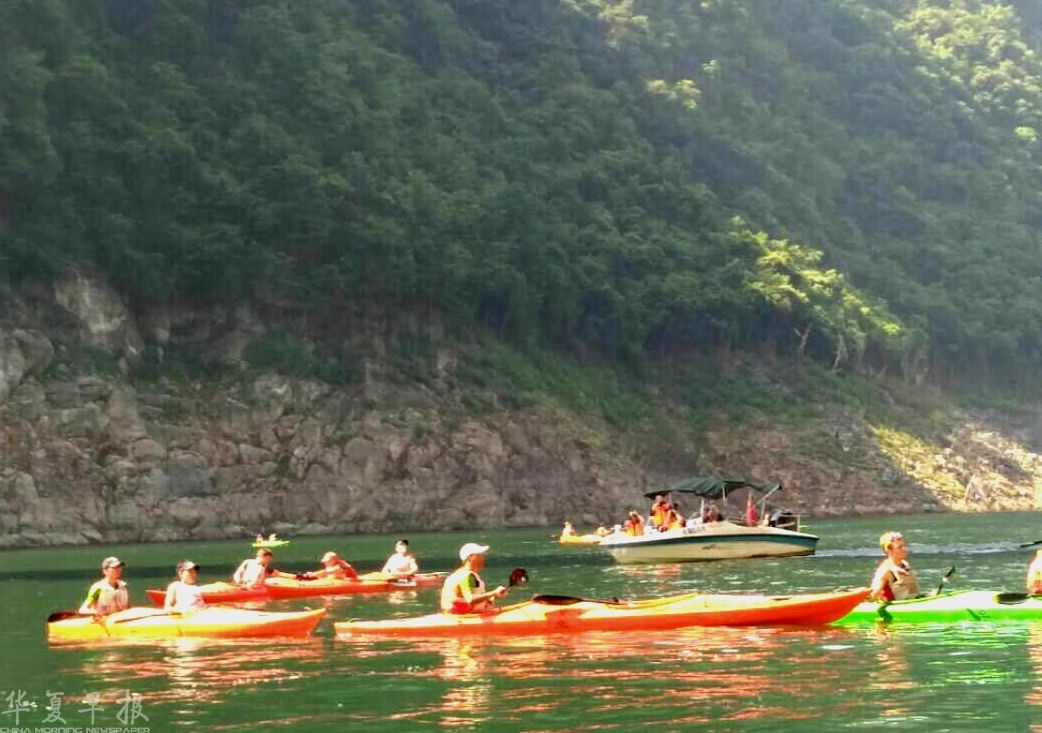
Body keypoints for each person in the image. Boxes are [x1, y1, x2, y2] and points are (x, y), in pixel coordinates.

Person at [440, 542, 508, 614]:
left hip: (455, 615)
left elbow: (463, 599)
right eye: (479, 555)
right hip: (463, 617)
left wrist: (493, 596)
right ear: (470, 557)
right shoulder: (467, 577)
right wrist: (494, 592)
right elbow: (470, 599)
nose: (483, 558)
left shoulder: (459, 574)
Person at [870, 531, 920, 602]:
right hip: (898, 606)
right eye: (899, 547)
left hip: (913, 601)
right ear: (889, 550)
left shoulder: (905, 564)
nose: (904, 549)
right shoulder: (884, 571)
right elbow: (873, 595)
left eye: (904, 546)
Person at [233, 548, 297, 588]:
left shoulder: (247, 561)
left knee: (273, 579)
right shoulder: (261, 567)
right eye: (268, 559)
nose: (269, 561)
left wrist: (238, 583)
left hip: (242, 585)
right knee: (272, 580)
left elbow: (237, 574)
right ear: (265, 557)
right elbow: (255, 579)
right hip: (252, 588)